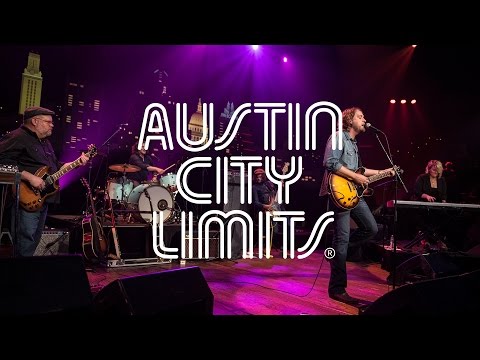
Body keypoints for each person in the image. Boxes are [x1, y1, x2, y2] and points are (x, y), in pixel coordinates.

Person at [319, 107, 394, 305]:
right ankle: (337, 288)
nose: (364, 119)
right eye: (360, 116)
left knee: (371, 228)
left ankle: (337, 252)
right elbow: (330, 163)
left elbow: (360, 170)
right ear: (349, 120)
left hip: (354, 193)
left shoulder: (354, 144)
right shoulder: (337, 136)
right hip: (340, 192)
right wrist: (355, 177)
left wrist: (384, 171)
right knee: (342, 238)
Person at [0, 106, 89, 257]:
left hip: (42, 198)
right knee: (24, 241)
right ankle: (18, 277)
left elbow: (54, 168)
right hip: (24, 198)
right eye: (48, 121)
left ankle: (25, 275)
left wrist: (75, 164)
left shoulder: (45, 143)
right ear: (35, 121)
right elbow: (2, 164)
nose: (52, 125)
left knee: (33, 241)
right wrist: (28, 176)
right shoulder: (17, 137)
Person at [252, 168, 290, 253]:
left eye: (261, 176)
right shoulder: (255, 187)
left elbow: (276, 194)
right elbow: (256, 202)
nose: (259, 178)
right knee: (275, 231)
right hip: (268, 210)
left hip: (278, 208)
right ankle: (267, 246)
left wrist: (282, 187)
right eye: (257, 176)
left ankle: (284, 247)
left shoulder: (269, 183)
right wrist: (266, 206)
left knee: (289, 225)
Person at [413, 159, 448, 251]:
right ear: (428, 169)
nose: (436, 172)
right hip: (423, 205)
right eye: (434, 169)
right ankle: (424, 239)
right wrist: (426, 196)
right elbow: (417, 191)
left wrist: (444, 204)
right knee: (424, 217)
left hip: (437, 207)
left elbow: (444, 195)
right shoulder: (422, 178)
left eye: (438, 170)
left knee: (444, 216)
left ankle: (439, 240)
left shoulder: (442, 180)